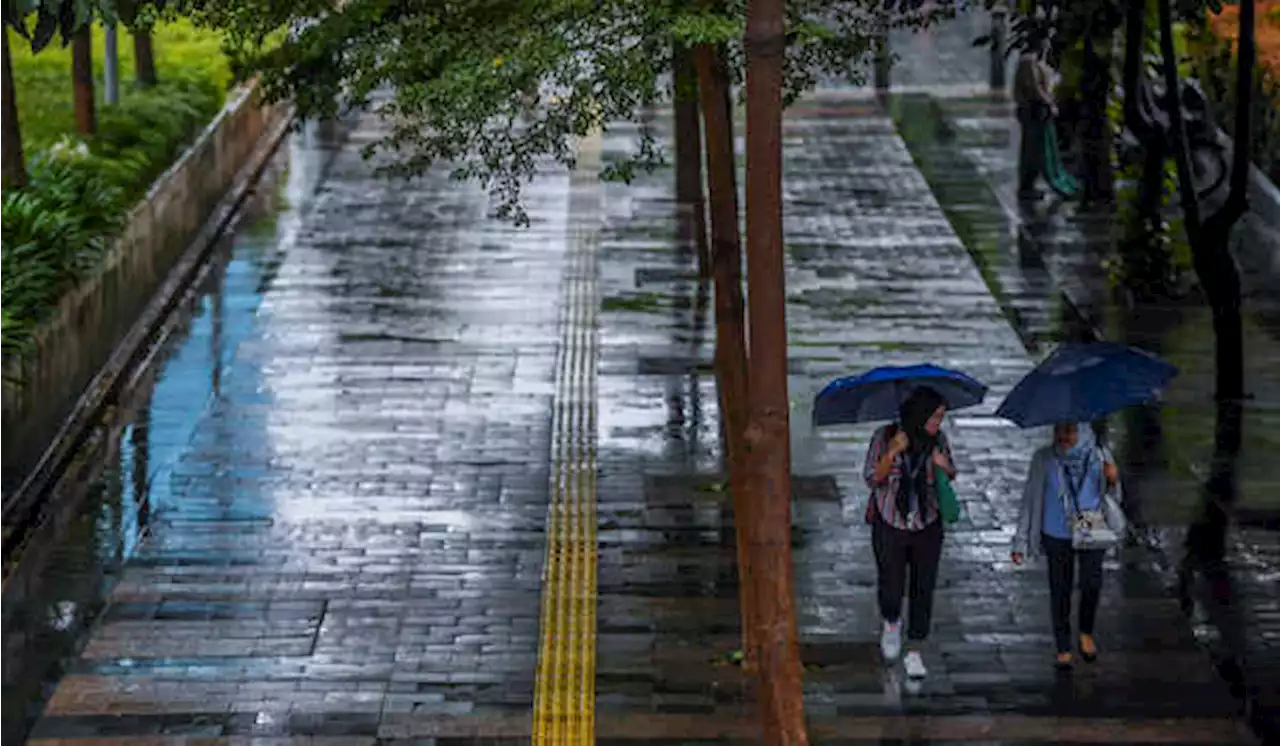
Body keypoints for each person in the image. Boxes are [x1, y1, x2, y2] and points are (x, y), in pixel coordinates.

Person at [862, 386, 957, 680]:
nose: (937, 423)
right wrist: (892, 452)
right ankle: (891, 622)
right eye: (935, 416)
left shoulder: (938, 440)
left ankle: (915, 648)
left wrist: (945, 467)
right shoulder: (884, 436)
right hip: (890, 519)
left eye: (941, 416)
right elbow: (872, 478)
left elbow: (951, 474)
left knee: (923, 585)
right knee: (890, 579)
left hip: (927, 521)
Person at [1011, 422, 1121, 669]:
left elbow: (1114, 498)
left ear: (1082, 432)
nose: (1063, 436)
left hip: (1091, 525)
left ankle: (1086, 632)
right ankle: (1062, 646)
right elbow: (1030, 500)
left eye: (1070, 431)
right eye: (1059, 430)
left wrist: (1112, 479)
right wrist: (1020, 541)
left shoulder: (1099, 455)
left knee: (1091, 583)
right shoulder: (1043, 458)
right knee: (1060, 589)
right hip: (1056, 531)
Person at [1013, 35, 1058, 200]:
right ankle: (1026, 186)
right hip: (1031, 109)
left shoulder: (1037, 62)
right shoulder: (1028, 61)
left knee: (1035, 148)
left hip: (1036, 110)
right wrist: (1049, 103)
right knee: (1031, 149)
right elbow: (1033, 87)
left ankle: (1030, 184)